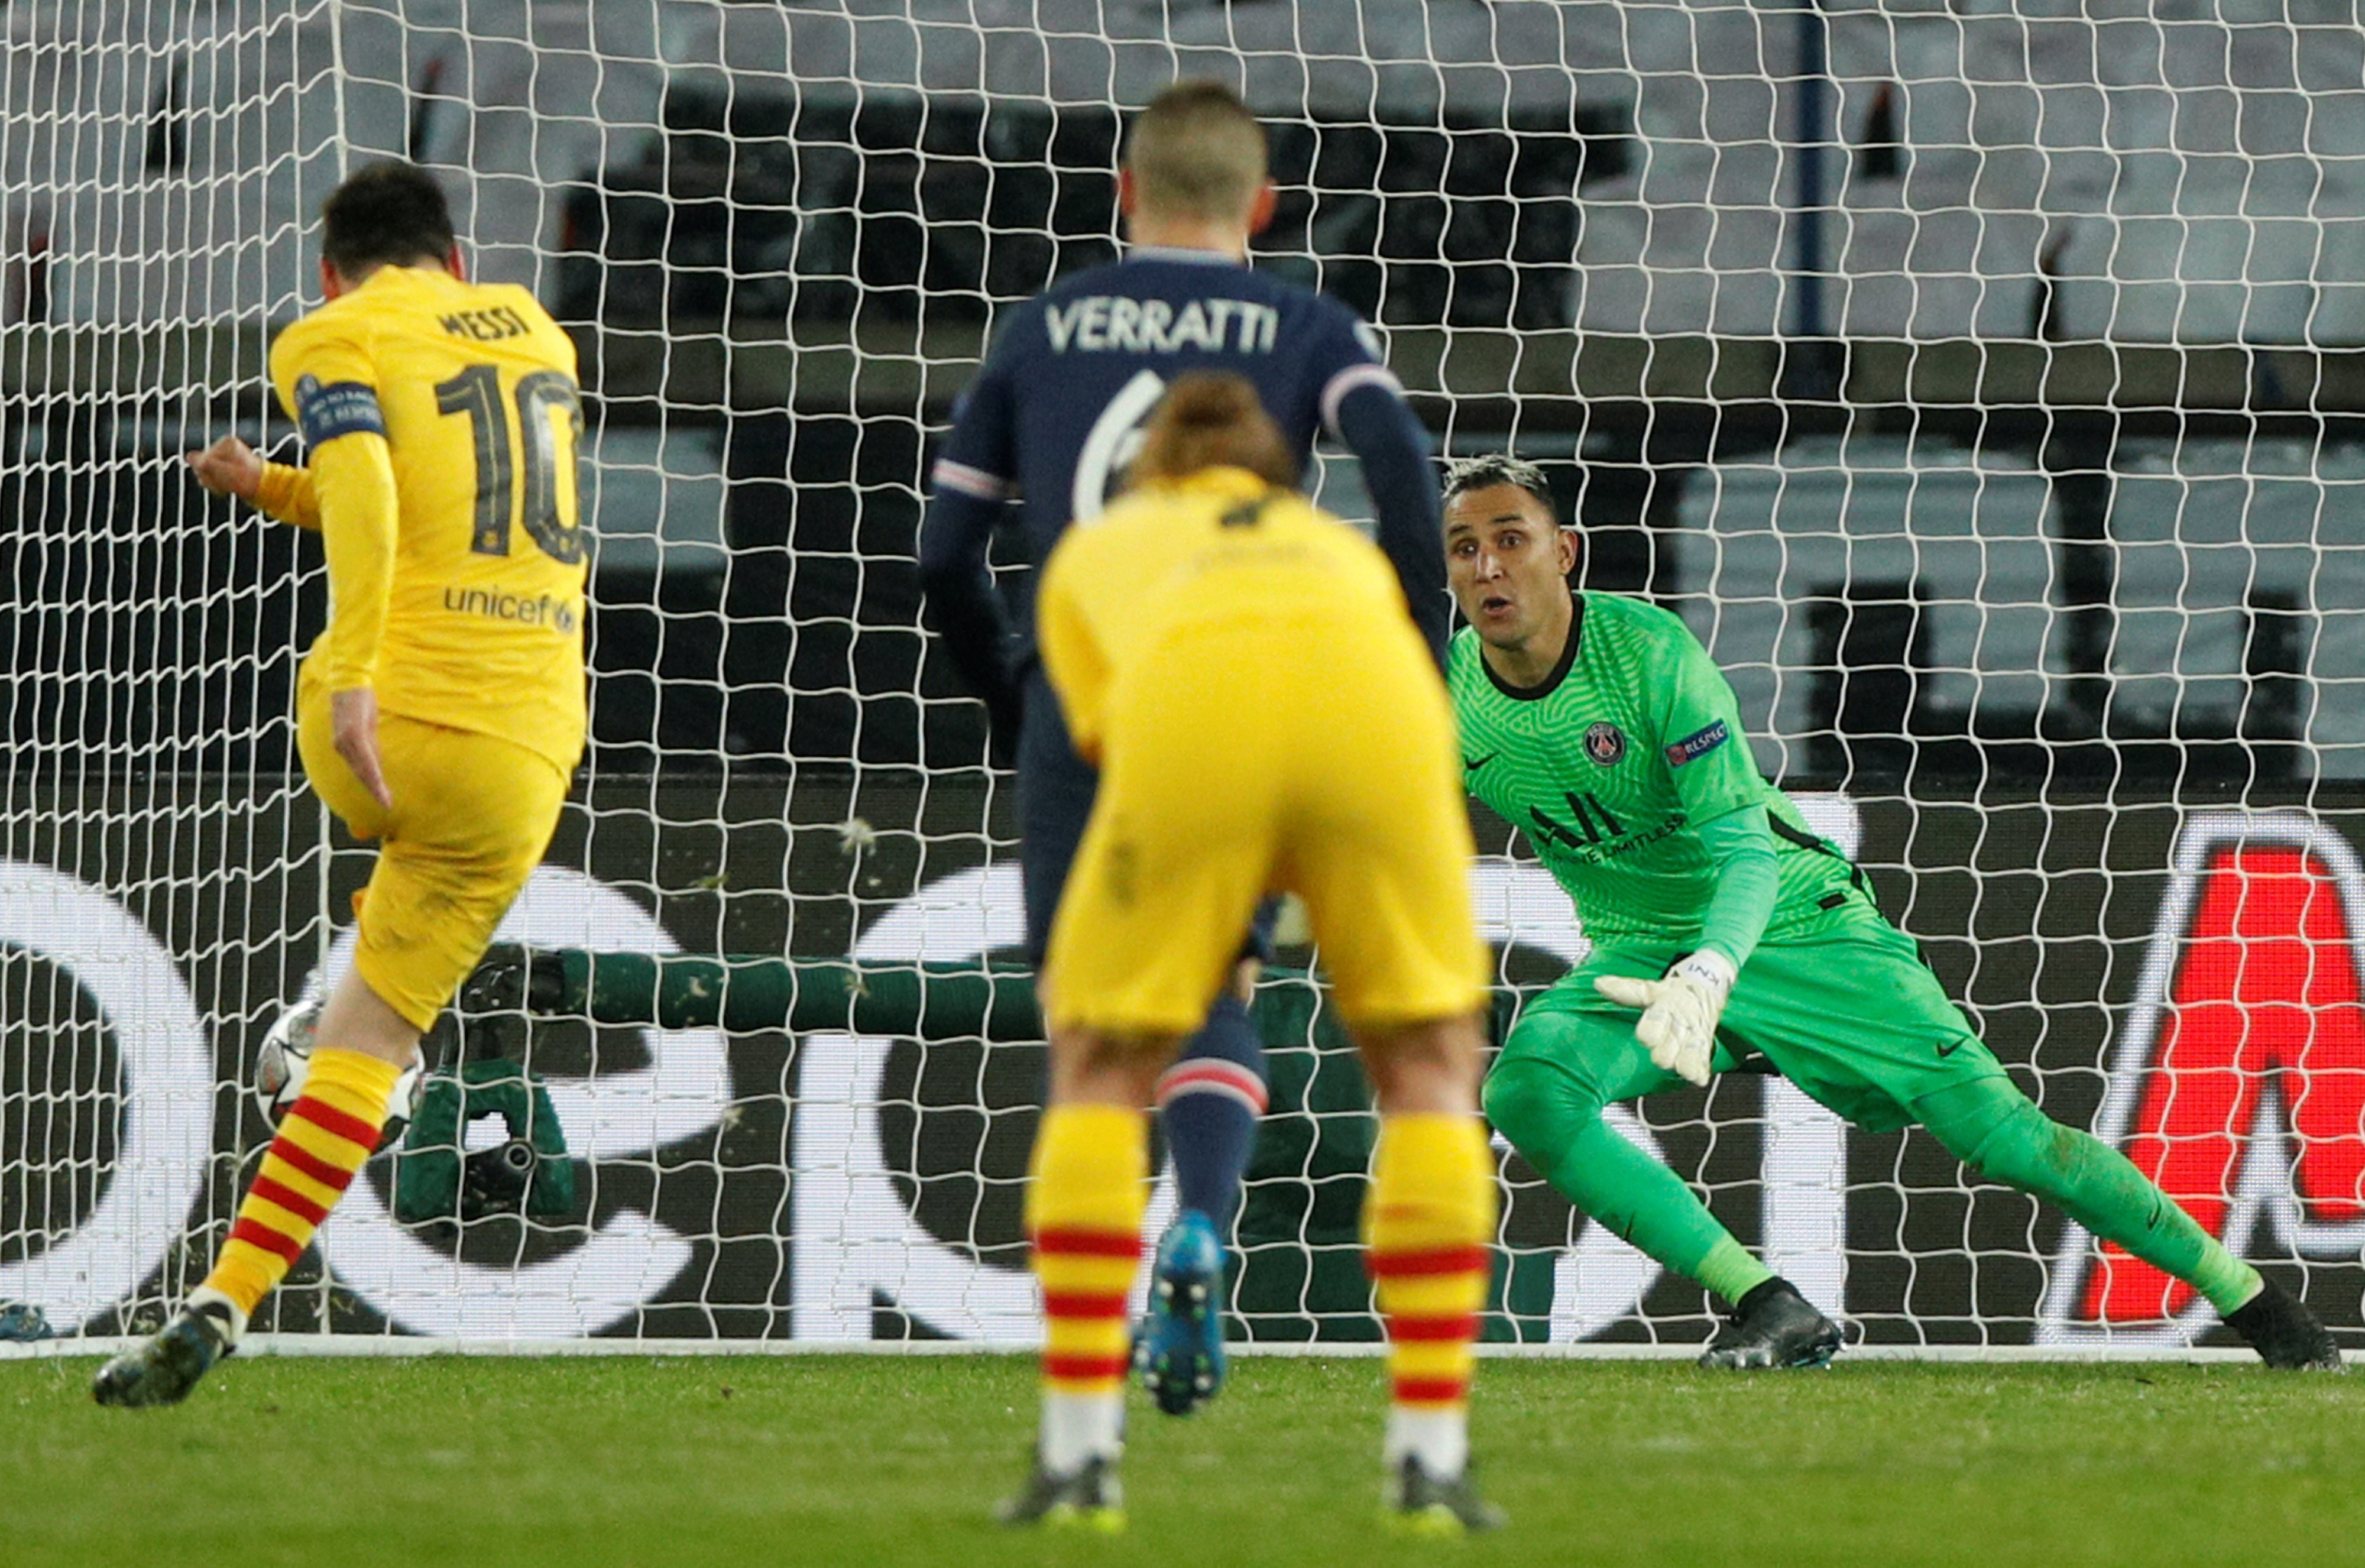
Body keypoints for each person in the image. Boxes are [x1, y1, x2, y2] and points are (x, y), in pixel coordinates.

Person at [1441, 453, 2343, 1372]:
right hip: (1640, 954)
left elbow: (1745, 847)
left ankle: (2260, 1307)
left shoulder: (1649, 656)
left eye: (1512, 540)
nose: (1487, 568)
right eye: (1464, 548)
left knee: (2006, 1139)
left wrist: (1712, 970)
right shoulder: (1452, 690)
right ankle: (1768, 1305)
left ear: (1567, 553)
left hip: (1798, 926)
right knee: (1530, 1090)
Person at [916, 79, 1448, 1415]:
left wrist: (1015, 695)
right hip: (1252, 675)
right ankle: (1201, 1220)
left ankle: (1081, 1415)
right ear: (1263, 207)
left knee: (1094, 1037)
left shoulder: (1044, 326)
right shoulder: (1304, 320)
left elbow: (941, 554)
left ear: (1121, 194)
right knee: (1229, 975)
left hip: (1083, 692)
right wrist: (1409, 659)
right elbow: (1404, 474)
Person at [94, 161, 588, 1406]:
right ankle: (228, 1297)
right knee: (373, 1041)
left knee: (367, 963)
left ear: (331, 269)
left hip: (386, 720)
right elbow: (434, 491)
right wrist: (266, 484)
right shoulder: (537, 331)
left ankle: (319, 1036)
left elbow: (371, 490)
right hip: (528, 755)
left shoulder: (331, 331)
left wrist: (358, 669)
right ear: (455, 260)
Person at [1002, 372, 1498, 1532]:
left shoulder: (1100, 548)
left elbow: (1100, 739)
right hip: (1378, 721)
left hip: (1194, 720)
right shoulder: (1335, 550)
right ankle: (1428, 1454)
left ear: (1149, 467)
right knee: (1427, 1070)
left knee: (1100, 1068)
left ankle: (1081, 1455)